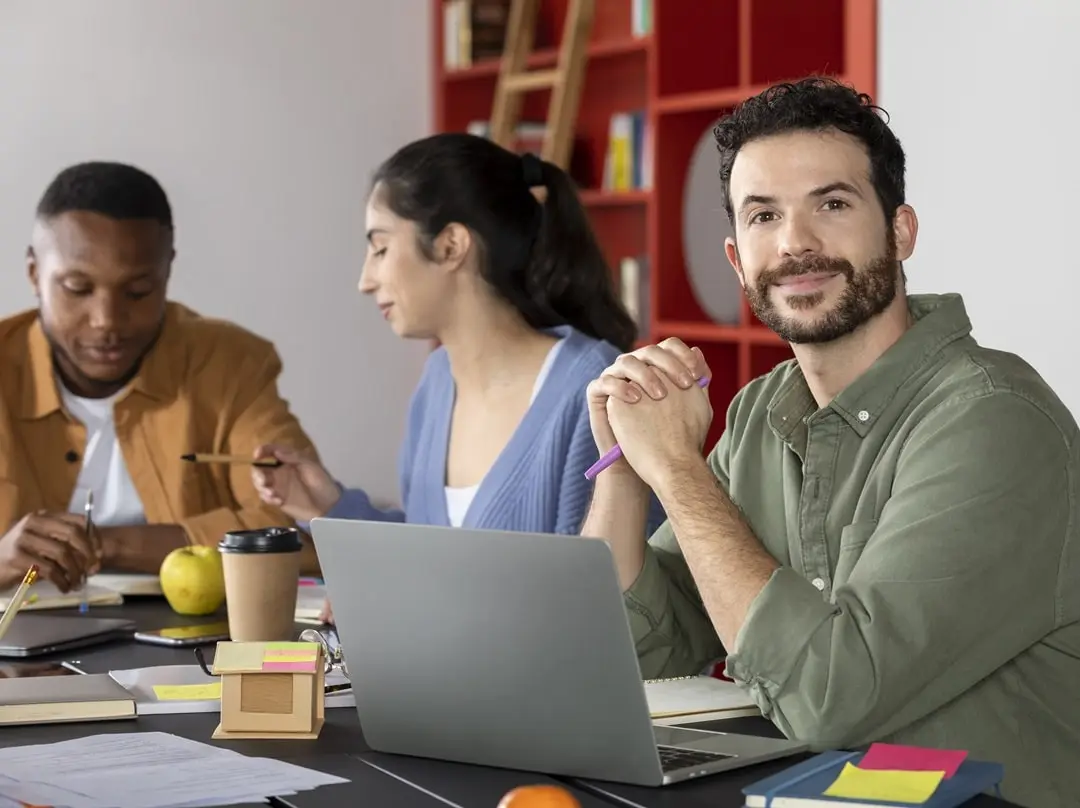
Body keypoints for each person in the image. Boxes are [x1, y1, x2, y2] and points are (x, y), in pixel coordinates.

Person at [581, 77, 1080, 808]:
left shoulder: (992, 421)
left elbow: (827, 696)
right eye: (763, 216)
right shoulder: (761, 411)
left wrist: (677, 469)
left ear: (901, 231)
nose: (795, 244)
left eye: (833, 204)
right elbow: (643, 650)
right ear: (736, 259)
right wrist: (624, 465)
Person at [253, 134, 665, 621]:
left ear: (451, 246)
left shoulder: (597, 392)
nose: (365, 279)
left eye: (380, 249)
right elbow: (438, 555)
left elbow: (634, 612)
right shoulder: (436, 384)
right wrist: (332, 506)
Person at [0, 161, 320, 592]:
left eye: (138, 292)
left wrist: (104, 545)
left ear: (167, 271)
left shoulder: (229, 364)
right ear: (35, 273)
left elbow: (299, 530)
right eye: (77, 288)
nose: (106, 321)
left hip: (191, 648)